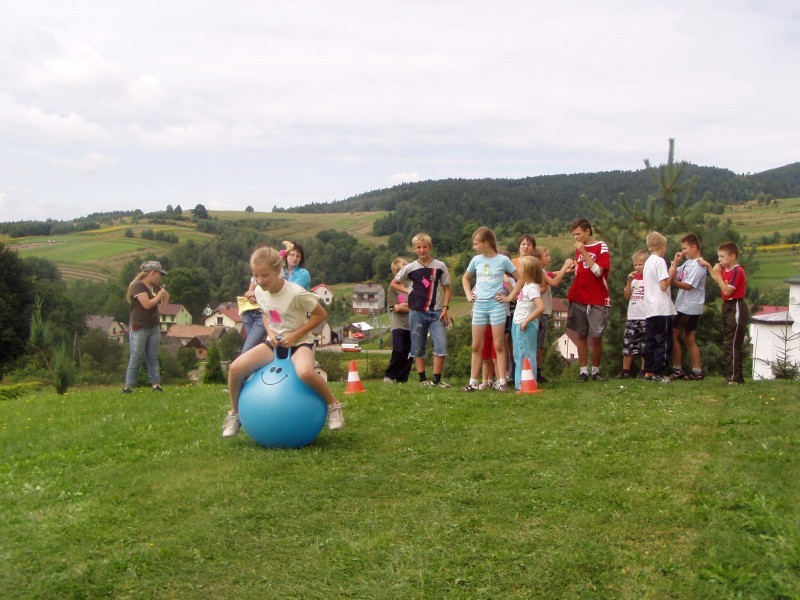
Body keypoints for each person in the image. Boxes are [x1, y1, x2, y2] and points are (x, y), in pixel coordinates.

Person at [221, 246, 344, 438]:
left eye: (265, 275)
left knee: (305, 372)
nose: (260, 280)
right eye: (256, 275)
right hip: (275, 344)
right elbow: (265, 314)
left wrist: (295, 335)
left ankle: (333, 405)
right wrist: (270, 333)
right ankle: (235, 414)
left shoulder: (296, 293)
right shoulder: (260, 291)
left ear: (278, 271)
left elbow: (321, 315)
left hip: (300, 343)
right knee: (235, 369)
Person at [461, 226, 521, 392]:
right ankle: (473, 382)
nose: (474, 247)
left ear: (486, 243)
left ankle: (502, 382)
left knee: (499, 345)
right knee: (476, 345)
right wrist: (468, 294)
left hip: (496, 306)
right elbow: (465, 278)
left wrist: (510, 297)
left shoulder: (503, 260)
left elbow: (521, 278)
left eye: (476, 243)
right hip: (480, 305)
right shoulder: (476, 260)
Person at [391, 233, 452, 388]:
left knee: (441, 344)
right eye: (418, 247)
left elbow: (447, 288)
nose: (422, 250)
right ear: (414, 249)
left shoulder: (440, 266)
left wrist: (446, 308)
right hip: (417, 312)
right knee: (418, 346)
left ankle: (436, 380)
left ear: (430, 247)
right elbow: (394, 283)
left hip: (437, 312)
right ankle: (422, 380)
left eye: (424, 247)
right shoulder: (410, 268)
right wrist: (408, 291)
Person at [566, 218, 611, 381]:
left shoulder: (601, 247)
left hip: (597, 297)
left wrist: (584, 253)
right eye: (574, 235)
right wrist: (575, 268)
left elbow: (598, 272)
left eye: (578, 234)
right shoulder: (579, 248)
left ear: (587, 231)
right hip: (579, 296)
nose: (576, 238)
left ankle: (596, 371)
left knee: (596, 336)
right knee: (581, 334)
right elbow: (581, 269)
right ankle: (583, 371)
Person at [699, 242, 749, 385]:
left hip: (736, 305)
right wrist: (710, 268)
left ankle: (734, 377)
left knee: (733, 343)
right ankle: (735, 376)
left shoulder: (737, 271)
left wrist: (718, 275)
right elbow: (718, 280)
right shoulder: (726, 270)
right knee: (728, 341)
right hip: (727, 306)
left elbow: (727, 290)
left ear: (732, 256)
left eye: (722, 256)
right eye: (719, 256)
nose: (719, 259)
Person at [498, 255, 545, 389]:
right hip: (518, 323)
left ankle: (528, 384)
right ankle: (520, 384)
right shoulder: (526, 286)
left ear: (527, 271)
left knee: (526, 354)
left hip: (525, 324)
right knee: (518, 354)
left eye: (521, 267)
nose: (518, 269)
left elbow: (540, 307)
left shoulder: (532, 288)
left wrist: (527, 321)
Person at [123, 261, 169, 393]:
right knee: (137, 356)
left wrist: (161, 309)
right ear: (152, 273)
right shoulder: (138, 286)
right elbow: (147, 304)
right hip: (139, 326)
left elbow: (166, 295)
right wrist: (159, 296)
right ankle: (129, 386)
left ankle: (156, 384)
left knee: (152, 356)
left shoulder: (155, 286)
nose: (160, 277)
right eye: (159, 274)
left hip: (153, 326)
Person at [667, 234, 707, 381]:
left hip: (689, 307)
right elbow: (676, 273)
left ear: (694, 247)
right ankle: (697, 370)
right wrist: (676, 263)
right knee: (688, 337)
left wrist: (671, 283)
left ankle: (677, 368)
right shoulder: (689, 263)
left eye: (685, 248)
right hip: (684, 305)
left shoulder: (698, 265)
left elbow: (688, 285)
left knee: (673, 334)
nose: (683, 252)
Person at [532, 247, 574, 382]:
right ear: (538, 259)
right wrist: (565, 266)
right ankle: (534, 373)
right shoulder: (539, 271)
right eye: (546, 255)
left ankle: (537, 371)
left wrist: (566, 271)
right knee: (538, 344)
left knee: (540, 344)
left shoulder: (541, 270)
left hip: (542, 313)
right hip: (540, 313)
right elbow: (554, 282)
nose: (549, 257)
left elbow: (551, 274)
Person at [642, 232, 677, 381]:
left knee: (650, 340)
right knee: (663, 341)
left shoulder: (647, 262)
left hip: (650, 308)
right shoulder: (659, 261)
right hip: (662, 307)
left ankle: (648, 371)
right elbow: (663, 285)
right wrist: (672, 272)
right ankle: (658, 371)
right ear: (663, 246)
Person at [618, 250, 648, 379]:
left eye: (640, 264)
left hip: (645, 316)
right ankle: (626, 370)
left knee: (645, 345)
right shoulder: (633, 279)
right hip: (632, 316)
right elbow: (626, 296)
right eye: (635, 264)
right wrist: (629, 282)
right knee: (629, 344)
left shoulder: (649, 279)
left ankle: (644, 370)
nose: (637, 267)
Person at [383, 258, 413, 384]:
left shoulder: (411, 286)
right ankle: (389, 375)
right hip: (398, 325)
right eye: (398, 272)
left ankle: (402, 379)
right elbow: (398, 308)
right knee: (399, 350)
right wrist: (410, 306)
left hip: (411, 324)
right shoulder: (392, 289)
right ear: (394, 272)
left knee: (409, 353)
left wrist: (406, 306)